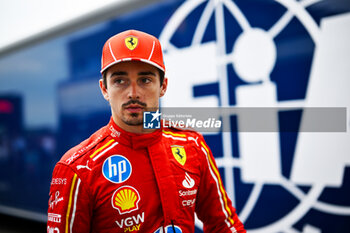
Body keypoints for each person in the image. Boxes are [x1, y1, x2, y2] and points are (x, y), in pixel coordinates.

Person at [47, 29, 246, 233]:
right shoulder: (77, 169)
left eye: (145, 80)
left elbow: (224, 225)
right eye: (119, 81)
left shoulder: (192, 145)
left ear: (163, 86)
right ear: (104, 89)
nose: (133, 93)